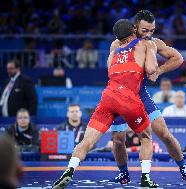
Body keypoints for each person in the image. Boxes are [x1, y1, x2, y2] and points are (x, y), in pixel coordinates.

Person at [53, 19, 159, 189]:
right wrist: (151, 52)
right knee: (146, 137)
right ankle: (145, 178)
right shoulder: (144, 44)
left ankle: (69, 171)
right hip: (129, 99)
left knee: (87, 140)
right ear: (134, 30)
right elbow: (152, 70)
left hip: (108, 98)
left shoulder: (114, 50)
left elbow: (111, 70)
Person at [109, 10, 186, 185]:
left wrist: (159, 71)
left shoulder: (153, 43)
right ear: (135, 27)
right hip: (121, 96)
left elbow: (178, 58)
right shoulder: (118, 44)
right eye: (145, 30)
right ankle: (123, 173)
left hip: (141, 95)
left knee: (164, 134)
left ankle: (184, 169)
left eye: (152, 30)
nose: (149, 34)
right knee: (118, 139)